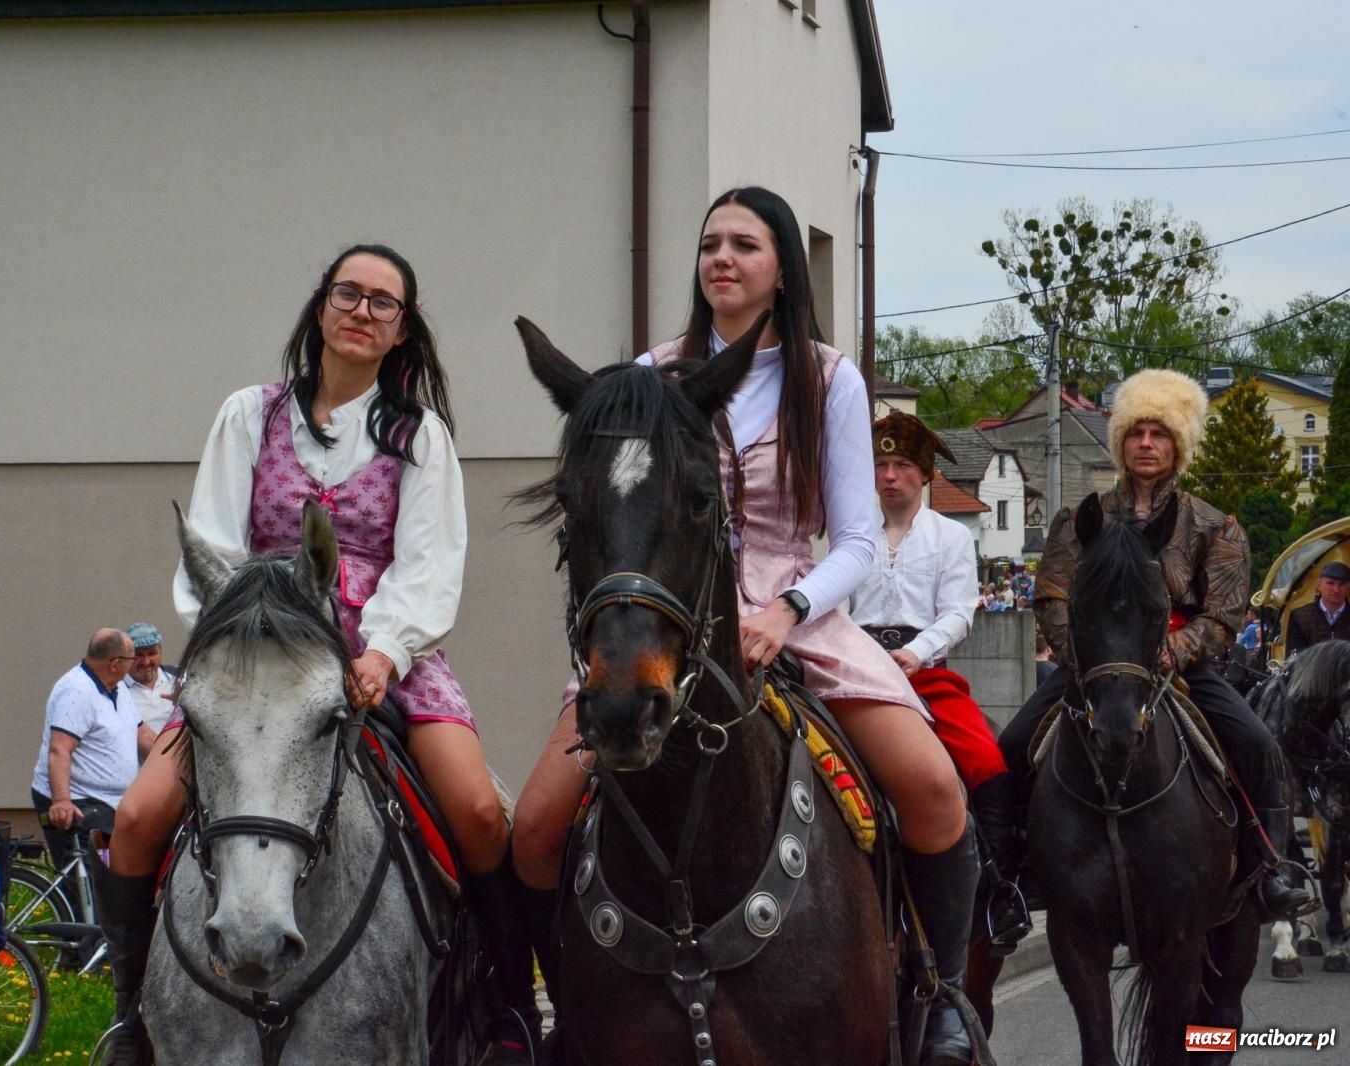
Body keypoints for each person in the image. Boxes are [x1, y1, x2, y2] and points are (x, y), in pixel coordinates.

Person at [510, 188, 980, 1065]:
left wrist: (785, 611)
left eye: (745, 245)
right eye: (710, 244)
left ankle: (944, 996)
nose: (722, 259)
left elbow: (857, 540)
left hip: (799, 606)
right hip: (670, 612)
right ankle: (552, 1018)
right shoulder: (653, 373)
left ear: (782, 269)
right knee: (534, 828)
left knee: (933, 790)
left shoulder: (828, 377)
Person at [100, 244, 532, 1066]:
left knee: (477, 811)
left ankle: (509, 1009)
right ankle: (132, 1019)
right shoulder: (248, 415)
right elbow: (214, 548)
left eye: (383, 303)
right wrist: (232, 648)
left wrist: (385, 653)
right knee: (134, 818)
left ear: (402, 331)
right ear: (321, 305)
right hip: (259, 656)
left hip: (383, 650)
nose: (362, 311)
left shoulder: (418, 434)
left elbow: (431, 566)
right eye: (349, 294)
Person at [992, 368, 1313, 929]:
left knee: (1259, 743)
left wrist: (1174, 649)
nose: (1146, 444)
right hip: (1095, 667)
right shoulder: (1079, 520)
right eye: (1136, 432)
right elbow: (1052, 597)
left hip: (1180, 667)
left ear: (1178, 445)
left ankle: (1276, 867)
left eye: (1159, 434)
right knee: (1010, 746)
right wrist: (1086, 657)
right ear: (1119, 441)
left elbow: (1225, 611)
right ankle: (1007, 875)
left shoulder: (1216, 527)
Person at [850, 412, 1027, 953]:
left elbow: (958, 613)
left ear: (924, 475)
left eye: (901, 465)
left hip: (922, 672)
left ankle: (999, 891)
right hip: (853, 667)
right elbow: (832, 603)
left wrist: (915, 652)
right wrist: (856, 654)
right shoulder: (848, 532)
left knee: (986, 760)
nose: (889, 476)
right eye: (880, 464)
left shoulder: (950, 536)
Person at [30, 629, 155, 912]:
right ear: (114, 662)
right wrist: (62, 801)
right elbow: (60, 749)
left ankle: (100, 944)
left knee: (112, 880)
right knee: (89, 889)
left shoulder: (116, 686)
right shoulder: (77, 691)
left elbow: (142, 734)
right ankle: (85, 952)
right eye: (131, 658)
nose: (136, 663)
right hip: (77, 800)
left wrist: (173, 762)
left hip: (109, 801)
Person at [1285, 560, 1350, 656]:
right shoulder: (1300, 617)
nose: (1336, 590)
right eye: (1330, 583)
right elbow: (1294, 657)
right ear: (1319, 585)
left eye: (1342, 584)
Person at [122, 623, 177, 733]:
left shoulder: (178, 680)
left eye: (152, 653)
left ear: (160, 652)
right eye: (138, 655)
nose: (146, 662)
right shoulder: (116, 691)